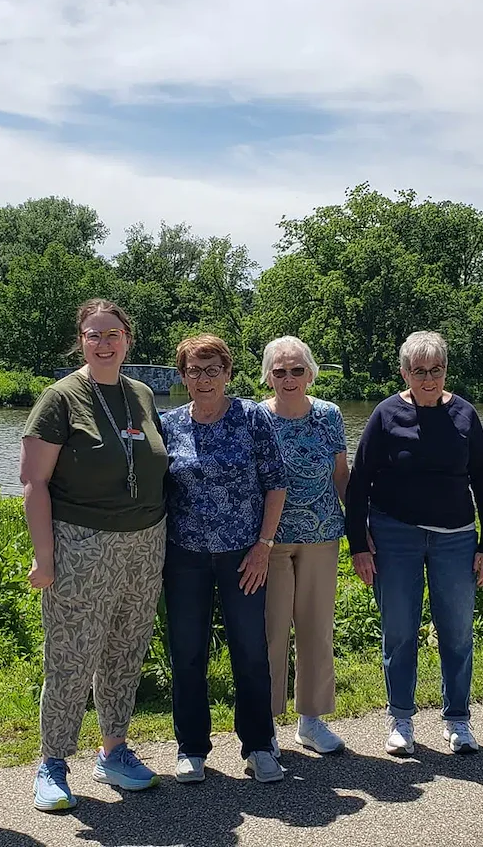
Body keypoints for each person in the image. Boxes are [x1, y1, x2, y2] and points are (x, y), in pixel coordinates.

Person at [20, 299, 170, 811]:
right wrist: (45, 557)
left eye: (113, 335)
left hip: (146, 542)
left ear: (128, 339)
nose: (104, 344)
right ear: (80, 340)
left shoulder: (143, 394)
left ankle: (114, 751)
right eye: (93, 335)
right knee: (71, 656)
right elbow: (33, 483)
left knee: (126, 650)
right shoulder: (61, 398)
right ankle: (53, 763)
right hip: (82, 542)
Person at [344, 330, 483, 758]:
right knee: (399, 630)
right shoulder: (385, 415)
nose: (428, 378)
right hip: (395, 537)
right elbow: (359, 484)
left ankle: (457, 720)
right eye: (418, 370)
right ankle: (401, 720)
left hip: (456, 540)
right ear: (404, 372)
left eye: (435, 370)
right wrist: (358, 542)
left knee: (457, 632)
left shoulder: (466, 416)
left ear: (445, 370)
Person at [161, 334, 289, 784]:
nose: (203, 379)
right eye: (193, 371)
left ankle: (257, 745)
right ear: (182, 377)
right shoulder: (168, 424)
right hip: (184, 556)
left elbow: (276, 483)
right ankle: (192, 747)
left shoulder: (252, 417)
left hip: (244, 555)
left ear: (228, 373)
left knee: (250, 651)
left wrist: (264, 545)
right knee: (187, 652)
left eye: (212, 369)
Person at [258, 336, 349, 754]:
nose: (289, 378)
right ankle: (266, 726)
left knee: (316, 629)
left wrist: (363, 530)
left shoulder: (329, 416)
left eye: (297, 370)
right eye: (280, 371)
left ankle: (310, 721)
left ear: (310, 374)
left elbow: (341, 476)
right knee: (271, 634)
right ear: (268, 376)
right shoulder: (256, 418)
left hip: (322, 536)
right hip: (269, 542)